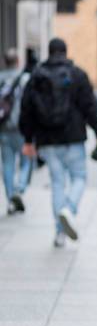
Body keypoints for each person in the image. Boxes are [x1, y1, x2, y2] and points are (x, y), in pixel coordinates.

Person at [19, 37, 97, 247]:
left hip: (47, 141)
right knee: (79, 177)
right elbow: (89, 106)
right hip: (73, 137)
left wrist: (28, 140)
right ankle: (69, 209)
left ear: (49, 52)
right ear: (65, 52)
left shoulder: (36, 76)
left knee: (57, 182)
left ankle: (59, 234)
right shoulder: (76, 74)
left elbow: (26, 110)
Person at [0, 48, 33, 215]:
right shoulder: (25, 79)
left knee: (7, 164)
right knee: (27, 159)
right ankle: (19, 189)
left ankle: (11, 198)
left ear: (5, 62)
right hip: (22, 128)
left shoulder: (0, 78)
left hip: (4, 128)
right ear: (18, 61)